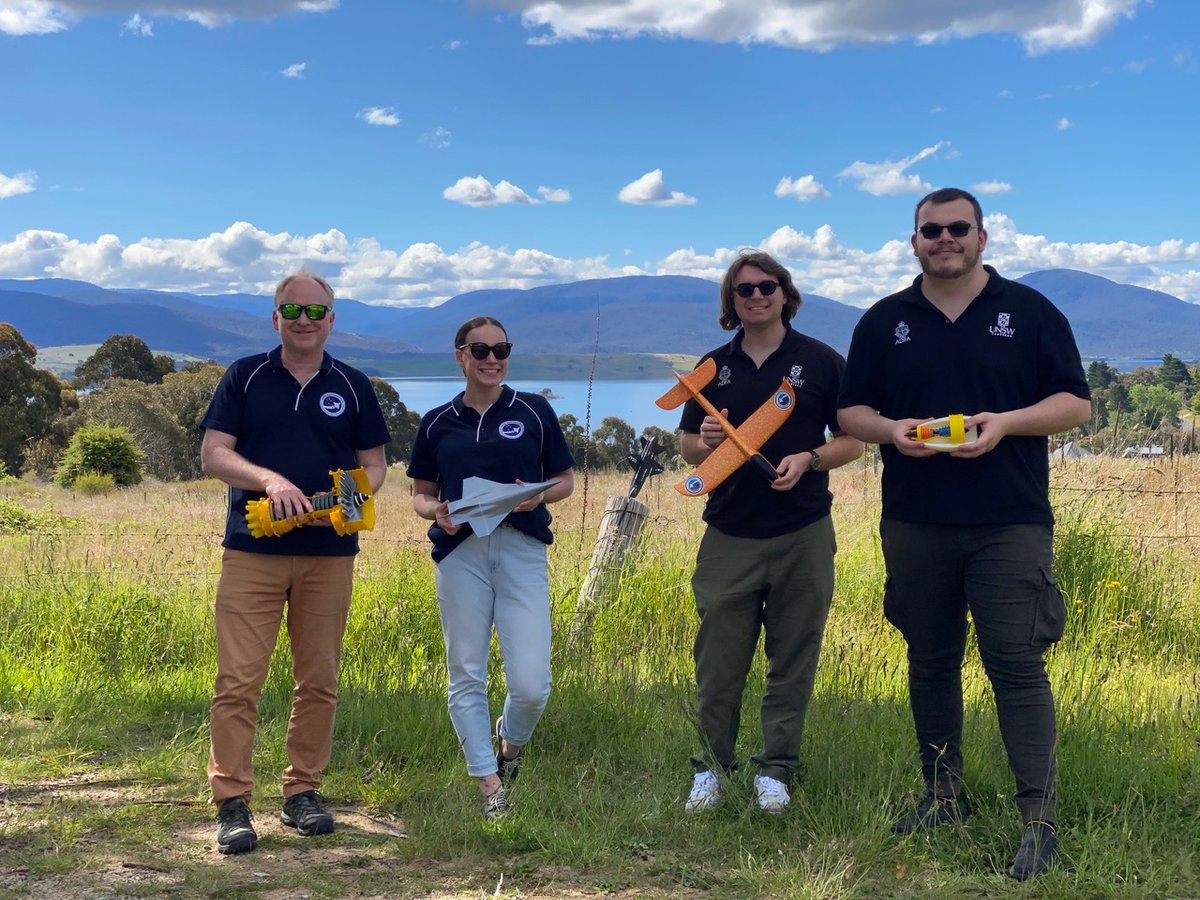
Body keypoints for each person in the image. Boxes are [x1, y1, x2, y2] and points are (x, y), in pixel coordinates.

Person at [837, 188, 1091, 880]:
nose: (944, 239)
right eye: (931, 230)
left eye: (958, 228)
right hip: (915, 520)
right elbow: (851, 411)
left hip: (1010, 520)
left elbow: (1075, 404)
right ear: (914, 241)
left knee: (1017, 665)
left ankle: (1039, 820)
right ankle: (943, 798)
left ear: (982, 237)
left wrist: (1006, 423)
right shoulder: (884, 320)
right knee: (929, 659)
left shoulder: (1030, 312)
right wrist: (890, 431)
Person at [199, 271, 390, 855]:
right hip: (252, 552)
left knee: (319, 681)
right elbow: (214, 454)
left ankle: (302, 793)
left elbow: (375, 465)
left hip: (328, 556)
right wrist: (270, 481)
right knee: (238, 680)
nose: (303, 320)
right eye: (291, 310)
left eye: (314, 311)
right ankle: (232, 803)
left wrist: (344, 506)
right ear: (275, 317)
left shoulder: (354, 385)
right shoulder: (245, 375)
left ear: (331, 320)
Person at [680, 250, 863, 815]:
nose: (756, 296)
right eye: (744, 290)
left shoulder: (821, 361)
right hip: (729, 533)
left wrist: (809, 459)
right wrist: (707, 441)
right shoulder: (712, 367)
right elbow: (687, 449)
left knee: (793, 657)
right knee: (718, 661)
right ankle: (711, 768)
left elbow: (853, 442)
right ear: (731, 302)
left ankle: (775, 770)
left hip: (803, 532)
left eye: (766, 287)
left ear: (785, 293)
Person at [407, 316, 575, 820]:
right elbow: (420, 494)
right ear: (461, 356)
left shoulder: (534, 410)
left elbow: (564, 480)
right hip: (461, 554)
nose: (492, 359)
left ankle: (510, 745)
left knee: (531, 685)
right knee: (466, 672)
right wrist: (433, 512)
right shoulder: (436, 421)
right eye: (480, 351)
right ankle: (488, 784)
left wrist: (538, 496)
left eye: (501, 349)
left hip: (522, 549)